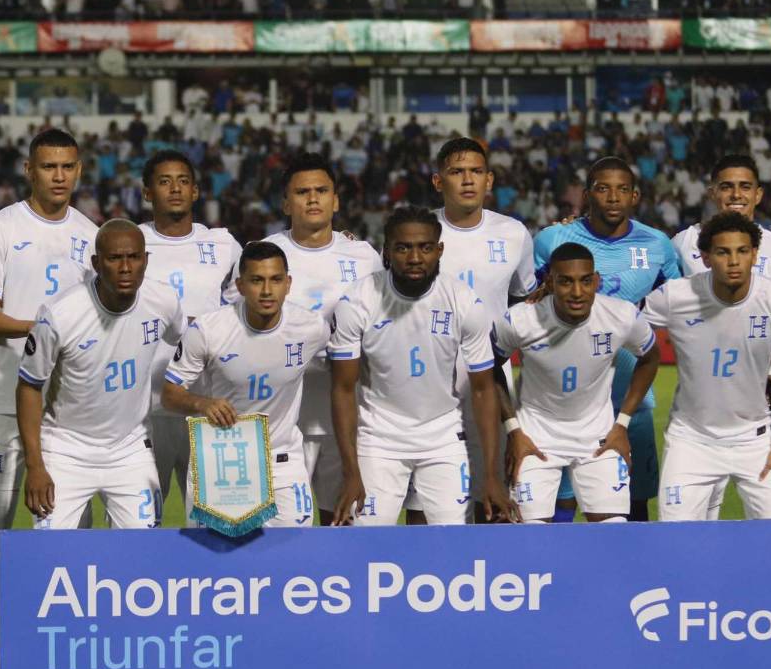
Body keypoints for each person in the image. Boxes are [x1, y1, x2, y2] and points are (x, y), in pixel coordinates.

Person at [0, 128, 98, 669]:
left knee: (65, 529)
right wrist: (44, 330)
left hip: (67, 410)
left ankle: (51, 646)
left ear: (80, 170)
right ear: (29, 169)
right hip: (4, 403)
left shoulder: (92, 236)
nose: (59, 176)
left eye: (67, 166)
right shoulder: (1, 228)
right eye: (48, 166)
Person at [329, 206, 519, 525]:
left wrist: (491, 474)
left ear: (439, 250)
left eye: (425, 247)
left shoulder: (462, 300)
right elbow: (343, 389)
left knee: (454, 543)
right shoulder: (358, 301)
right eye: (403, 248)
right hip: (379, 437)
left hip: (443, 436)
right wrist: (351, 472)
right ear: (387, 251)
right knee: (365, 541)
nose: (415, 257)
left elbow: (485, 389)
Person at [533, 156, 680, 522]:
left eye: (622, 189)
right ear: (586, 195)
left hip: (632, 397)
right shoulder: (553, 239)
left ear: (635, 195)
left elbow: (679, 302)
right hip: (566, 401)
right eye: (602, 188)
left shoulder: (658, 244)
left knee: (634, 500)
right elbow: (525, 299)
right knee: (560, 503)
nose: (613, 197)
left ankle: (632, 575)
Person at [17, 220, 185, 530]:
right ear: (96, 263)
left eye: (134, 257)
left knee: (142, 554)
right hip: (66, 450)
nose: (125, 267)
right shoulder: (60, 315)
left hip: (130, 449)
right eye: (114, 258)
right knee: (52, 555)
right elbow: (28, 386)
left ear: (146, 260)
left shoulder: (163, 301)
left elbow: (186, 341)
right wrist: (35, 464)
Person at [403, 137, 537, 524]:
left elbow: (522, 305)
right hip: (428, 381)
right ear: (437, 181)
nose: (467, 180)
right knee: (424, 504)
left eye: (476, 171)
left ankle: (488, 579)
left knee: (493, 492)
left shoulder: (513, 234)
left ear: (489, 180)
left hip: (492, 380)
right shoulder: (419, 232)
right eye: (456, 171)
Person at [644, 212, 771, 521]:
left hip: (757, 441)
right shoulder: (674, 297)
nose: (734, 260)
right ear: (705, 258)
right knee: (678, 545)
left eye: (742, 251)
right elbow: (621, 325)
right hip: (690, 442)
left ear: (755, 255)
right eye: (723, 252)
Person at [670, 154, 771, 508]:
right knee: (697, 515)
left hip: (764, 398)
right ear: (712, 191)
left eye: (745, 186)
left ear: (758, 194)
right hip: (701, 401)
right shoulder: (683, 244)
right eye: (727, 186)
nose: (736, 194)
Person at [161, 242, 330, 527]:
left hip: (283, 461)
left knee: (296, 559)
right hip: (223, 460)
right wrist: (202, 403)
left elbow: (343, 368)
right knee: (216, 564)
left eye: (276, 280)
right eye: (256, 280)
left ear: (288, 284)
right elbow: (169, 394)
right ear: (239, 285)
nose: (267, 291)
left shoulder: (312, 328)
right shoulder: (208, 330)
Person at [491, 242, 660, 522]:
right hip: (535, 437)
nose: (577, 292)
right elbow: (490, 369)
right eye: (566, 282)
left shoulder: (621, 315)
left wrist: (623, 423)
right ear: (550, 282)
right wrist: (513, 431)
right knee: (528, 537)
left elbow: (650, 357)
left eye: (585, 281)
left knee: (613, 532)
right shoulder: (520, 320)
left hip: (599, 437)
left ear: (596, 281)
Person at [264, 154, 380, 525]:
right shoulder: (263, 255)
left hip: (344, 420)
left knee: (342, 523)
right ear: (286, 202)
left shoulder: (364, 257)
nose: (312, 199)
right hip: (279, 424)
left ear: (336, 199)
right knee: (279, 533)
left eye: (321, 191)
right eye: (302, 192)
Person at [138, 149, 242, 510]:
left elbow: (242, 314)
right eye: (164, 182)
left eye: (183, 181)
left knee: (212, 520)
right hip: (144, 409)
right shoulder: (130, 244)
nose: (175, 189)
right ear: (147, 192)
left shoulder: (224, 245)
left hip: (208, 406)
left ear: (196, 192)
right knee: (139, 525)